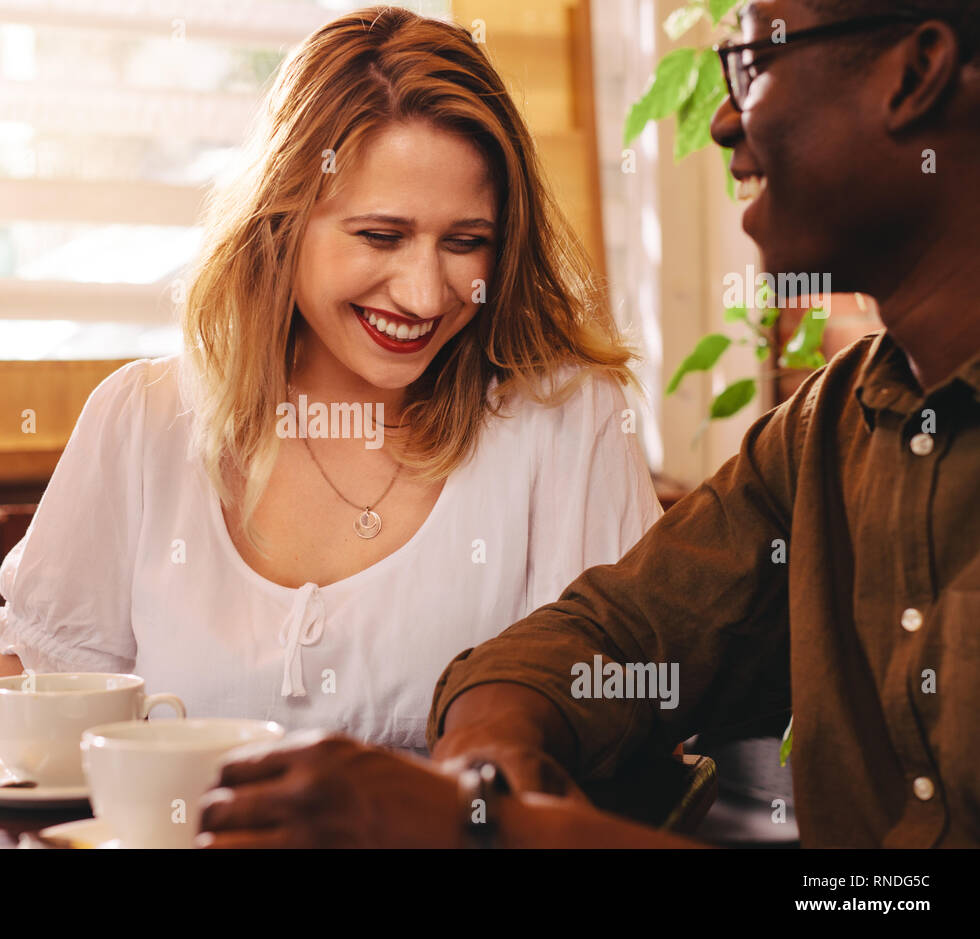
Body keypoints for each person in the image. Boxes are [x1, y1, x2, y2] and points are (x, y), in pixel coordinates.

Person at [196, 0, 980, 846]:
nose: (721, 121)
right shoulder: (826, 431)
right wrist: (487, 768)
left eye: (752, 65)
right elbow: (610, 637)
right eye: (381, 233)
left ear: (915, 74)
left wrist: (477, 825)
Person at [0, 6, 662, 751]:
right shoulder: (140, 422)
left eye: (466, 243)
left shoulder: (568, 422)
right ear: (282, 215)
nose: (424, 294)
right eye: (382, 235)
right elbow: (40, 744)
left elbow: (622, 746)